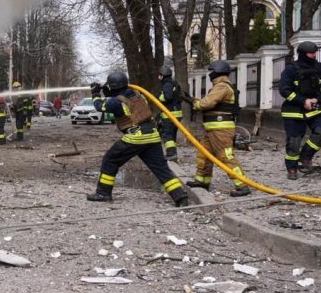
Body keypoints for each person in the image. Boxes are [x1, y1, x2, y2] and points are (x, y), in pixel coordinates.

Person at [86, 71, 189, 207]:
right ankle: (180, 197)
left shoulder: (116, 102)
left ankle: (103, 193)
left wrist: (95, 94)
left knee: (110, 160)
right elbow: (121, 95)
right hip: (152, 136)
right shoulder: (137, 95)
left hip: (136, 137)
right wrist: (105, 90)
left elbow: (100, 106)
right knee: (161, 168)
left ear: (112, 86)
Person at [183, 60, 251, 197]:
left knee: (226, 156)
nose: (210, 74)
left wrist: (195, 104)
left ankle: (243, 185)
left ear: (218, 72)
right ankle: (202, 181)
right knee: (204, 155)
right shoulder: (219, 86)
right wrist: (193, 100)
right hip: (212, 129)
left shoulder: (222, 86)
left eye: (211, 71)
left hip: (221, 130)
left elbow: (207, 103)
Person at [278, 41, 321, 180]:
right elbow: (284, 90)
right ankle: (292, 168)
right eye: (310, 53)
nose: (313, 55)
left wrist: (318, 98)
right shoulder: (290, 69)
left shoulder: (320, 68)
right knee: (294, 142)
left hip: (314, 108)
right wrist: (303, 101)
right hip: (293, 111)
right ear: (303, 54)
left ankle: (306, 156)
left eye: (314, 53)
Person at [156, 66, 183, 161]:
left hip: (170, 114)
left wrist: (159, 97)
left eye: (159, 76)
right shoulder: (174, 83)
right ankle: (173, 153)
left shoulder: (167, 84)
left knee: (167, 134)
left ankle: (171, 154)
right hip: (176, 113)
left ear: (163, 76)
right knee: (172, 135)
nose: (158, 78)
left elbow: (168, 97)